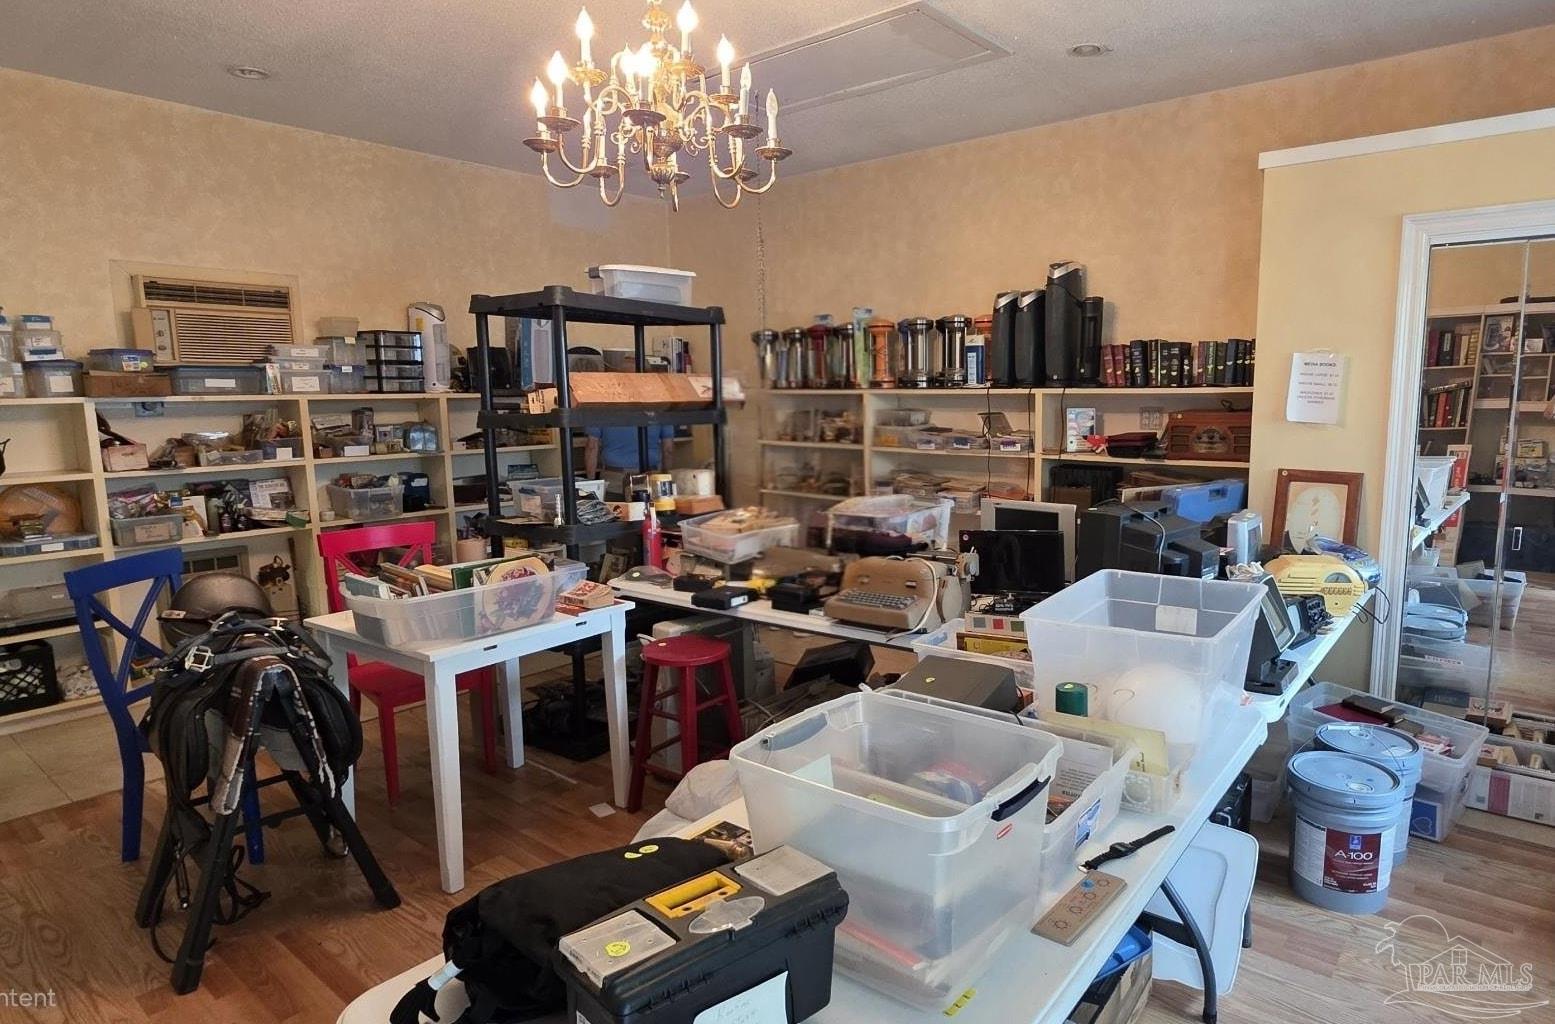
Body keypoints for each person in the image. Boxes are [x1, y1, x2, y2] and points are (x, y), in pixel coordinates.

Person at [583, 424, 676, 478]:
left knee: (616, 510)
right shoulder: (658, 406)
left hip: (615, 477)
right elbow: (668, 450)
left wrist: (590, 483)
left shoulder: (600, 406)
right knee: (649, 511)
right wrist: (666, 478)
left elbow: (591, 447)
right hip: (651, 476)